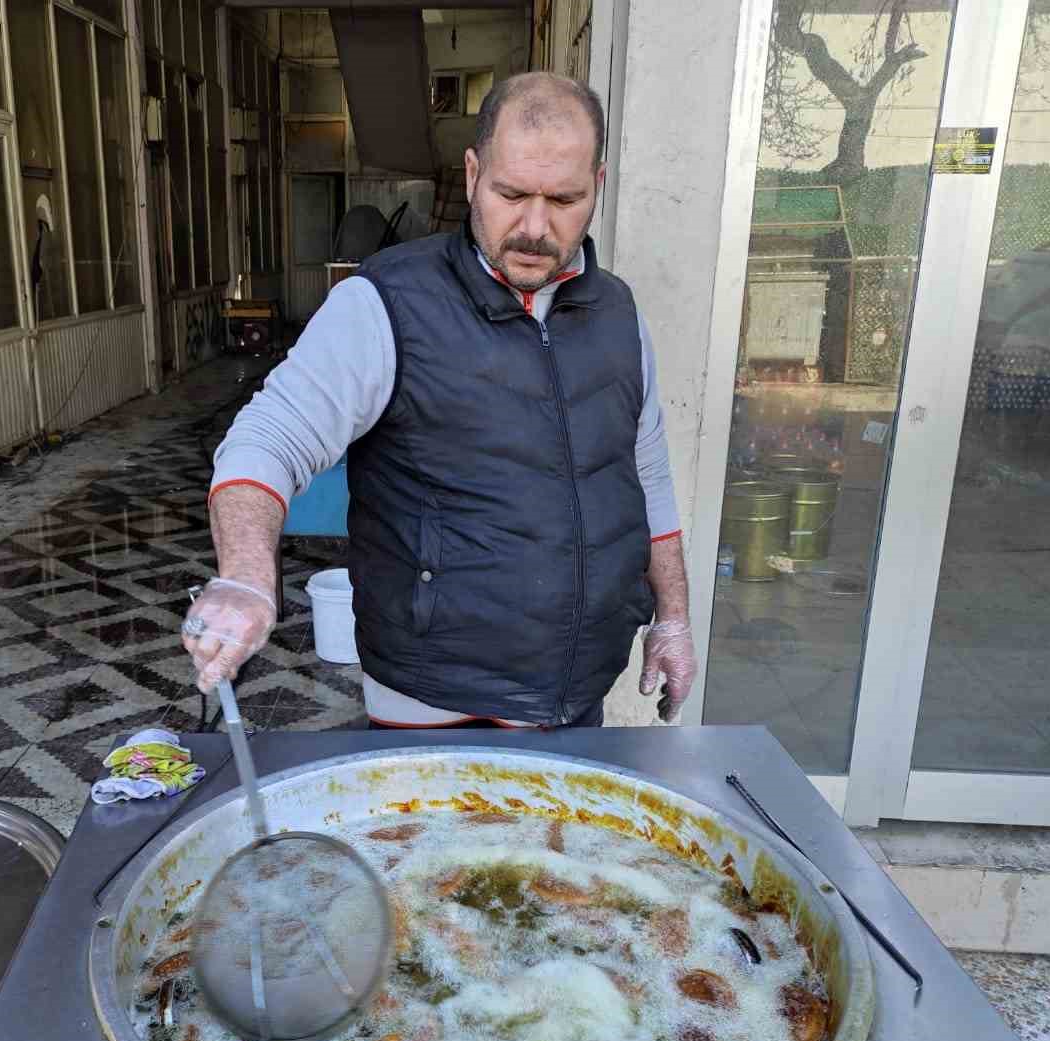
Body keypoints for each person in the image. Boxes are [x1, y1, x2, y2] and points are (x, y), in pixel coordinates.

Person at [182, 71, 696, 728]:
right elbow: (267, 437)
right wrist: (247, 574)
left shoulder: (618, 313)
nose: (535, 226)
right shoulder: (386, 303)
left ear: (596, 185)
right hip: (429, 697)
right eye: (511, 193)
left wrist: (673, 617)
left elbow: (646, 478)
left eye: (564, 199)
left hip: (575, 689)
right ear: (474, 173)